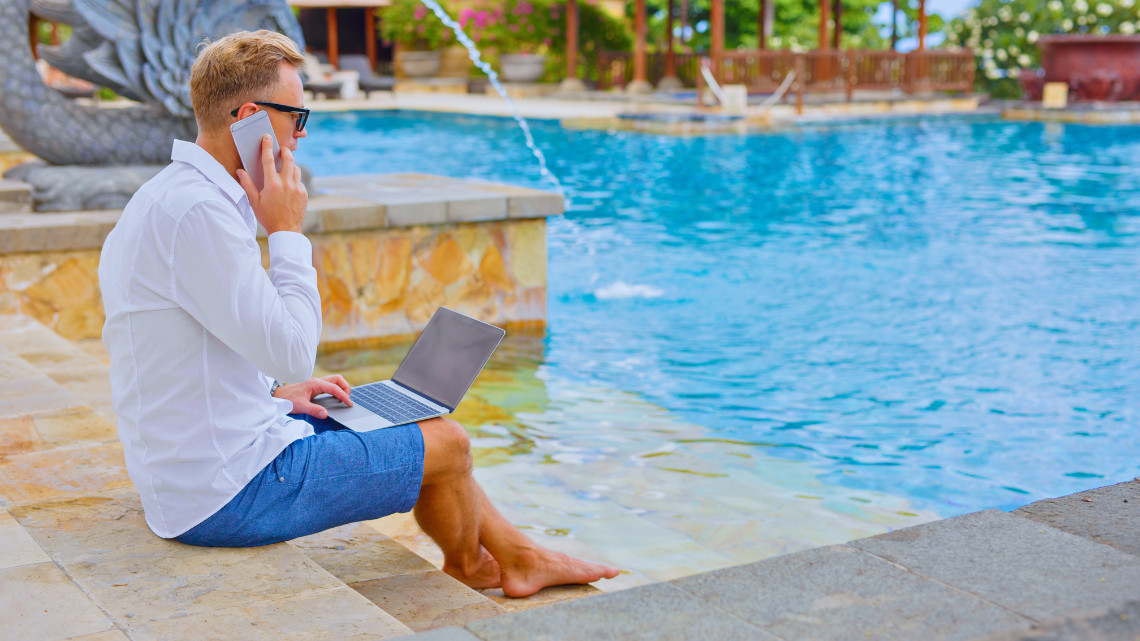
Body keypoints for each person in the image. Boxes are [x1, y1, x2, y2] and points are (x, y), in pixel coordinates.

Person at [98, 30, 618, 598]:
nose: (299, 136)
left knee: (405, 419)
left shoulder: (168, 196)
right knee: (448, 442)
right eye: (297, 117)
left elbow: (183, 351)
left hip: (191, 473)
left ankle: (519, 555)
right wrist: (287, 231)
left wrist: (274, 395)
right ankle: (476, 567)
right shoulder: (200, 213)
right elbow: (295, 350)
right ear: (248, 116)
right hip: (226, 494)